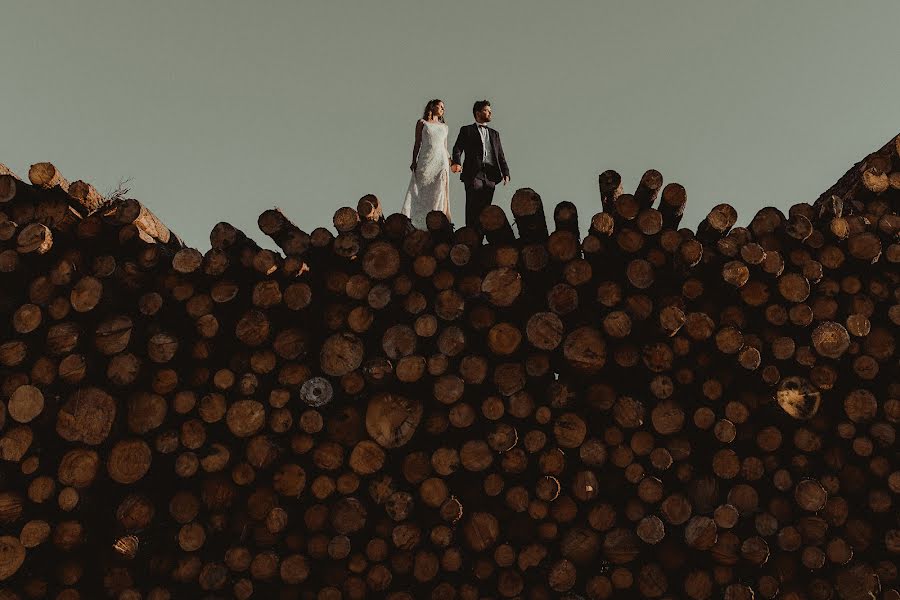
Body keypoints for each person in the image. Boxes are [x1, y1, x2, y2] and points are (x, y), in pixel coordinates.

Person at [450, 100, 510, 229]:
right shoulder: (467, 130)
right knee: (473, 206)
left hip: (491, 174)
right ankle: (470, 235)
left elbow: (500, 155)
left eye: (490, 111)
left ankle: (481, 238)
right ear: (477, 113)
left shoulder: (495, 134)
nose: (489, 113)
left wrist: (506, 173)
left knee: (486, 209)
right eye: (486, 110)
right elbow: (457, 148)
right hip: (473, 173)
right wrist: (457, 163)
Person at [400, 99, 452, 229]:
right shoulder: (422, 123)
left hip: (441, 162)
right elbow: (417, 143)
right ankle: (416, 222)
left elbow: (445, 147)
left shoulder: (444, 127)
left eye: (443, 108)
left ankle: (437, 219)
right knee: (420, 189)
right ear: (432, 107)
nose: (442, 109)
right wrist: (413, 161)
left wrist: (451, 163)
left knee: (439, 189)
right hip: (426, 159)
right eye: (440, 106)